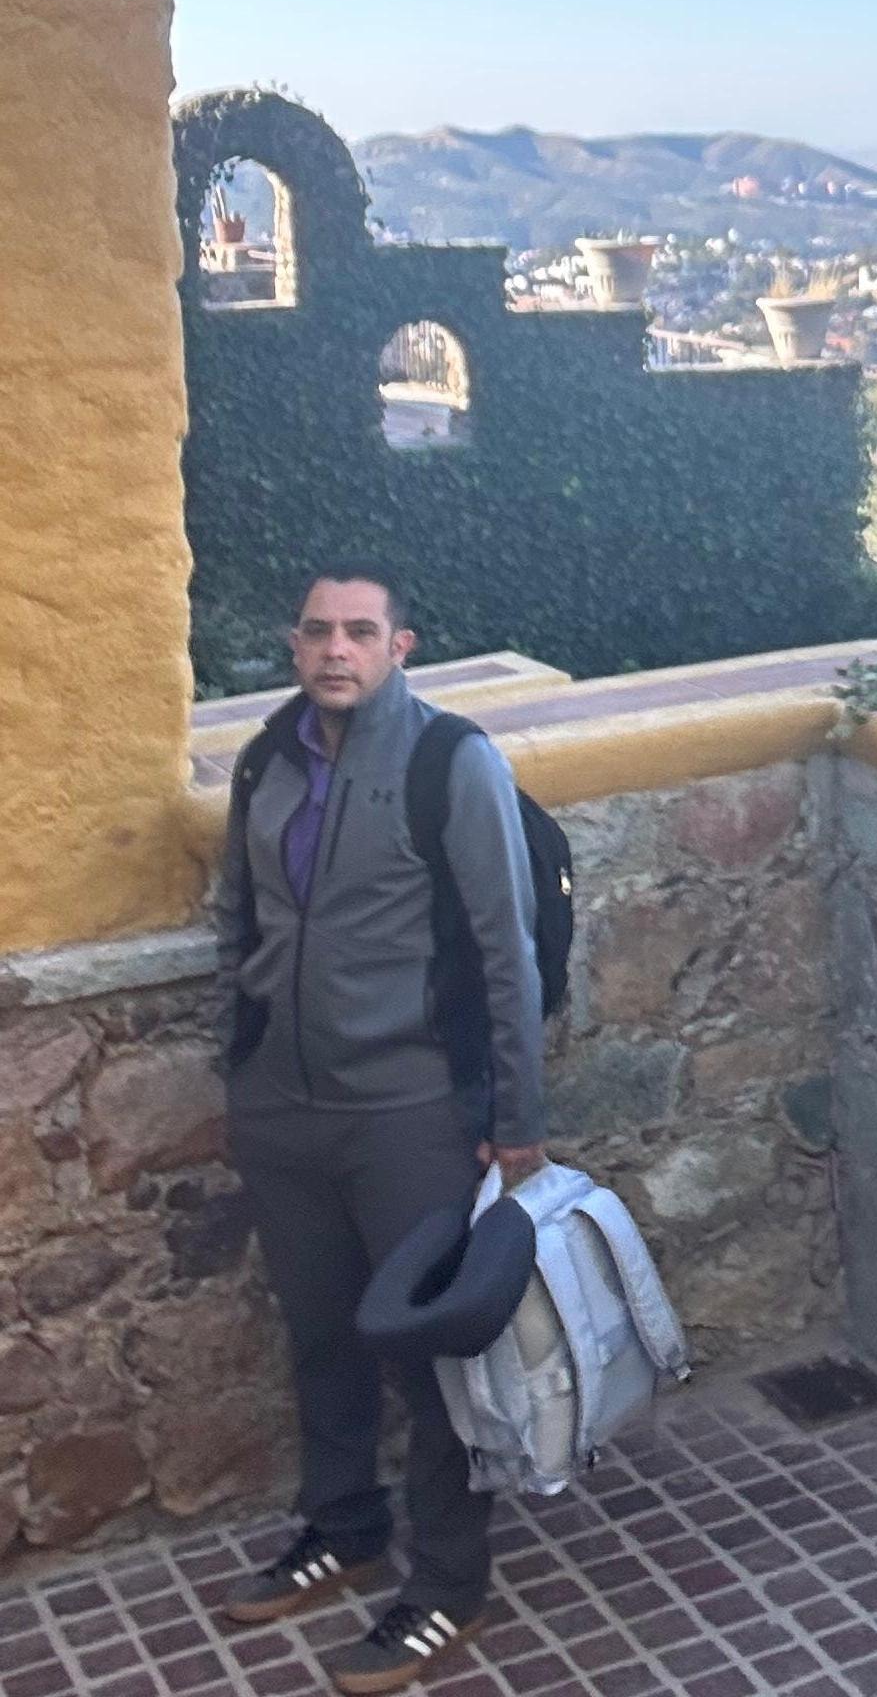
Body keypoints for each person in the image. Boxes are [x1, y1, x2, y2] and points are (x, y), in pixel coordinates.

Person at [212, 563, 547, 1696]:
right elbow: (239, 918)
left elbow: (506, 951)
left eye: (360, 631)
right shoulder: (267, 757)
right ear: (295, 643)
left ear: (401, 646)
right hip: (282, 1108)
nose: (335, 649)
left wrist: (516, 1119)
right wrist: (239, 1057)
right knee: (320, 1334)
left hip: (409, 1111)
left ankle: (449, 1583)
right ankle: (344, 1526)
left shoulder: (452, 760)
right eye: (317, 630)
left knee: (434, 1358)